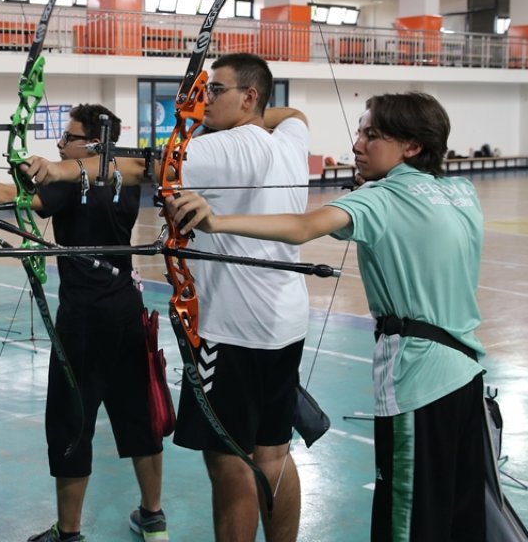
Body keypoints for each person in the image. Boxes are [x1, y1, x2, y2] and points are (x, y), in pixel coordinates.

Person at [167, 92, 487, 542]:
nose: (357, 144)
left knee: (408, 520)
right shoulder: (461, 191)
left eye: (372, 135)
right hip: (466, 375)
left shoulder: (380, 199)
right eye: (359, 132)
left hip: (419, 381)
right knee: (458, 510)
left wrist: (215, 221)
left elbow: (302, 227)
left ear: (412, 146)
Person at [22, 54, 308, 542]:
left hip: (234, 332)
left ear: (250, 96)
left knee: (230, 460)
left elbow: (142, 166)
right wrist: (258, 116)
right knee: (273, 452)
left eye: (216, 90)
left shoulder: (230, 146)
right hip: (287, 323)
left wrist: (64, 169)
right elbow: (296, 116)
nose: (205, 99)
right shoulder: (290, 141)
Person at [0, 104, 166, 542]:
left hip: (83, 320)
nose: (60, 145)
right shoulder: (129, 177)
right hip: (128, 310)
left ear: (92, 144)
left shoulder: (74, 180)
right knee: (138, 417)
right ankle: (153, 515)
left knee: (72, 421)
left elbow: (7, 195)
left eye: (67, 138)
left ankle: (68, 533)